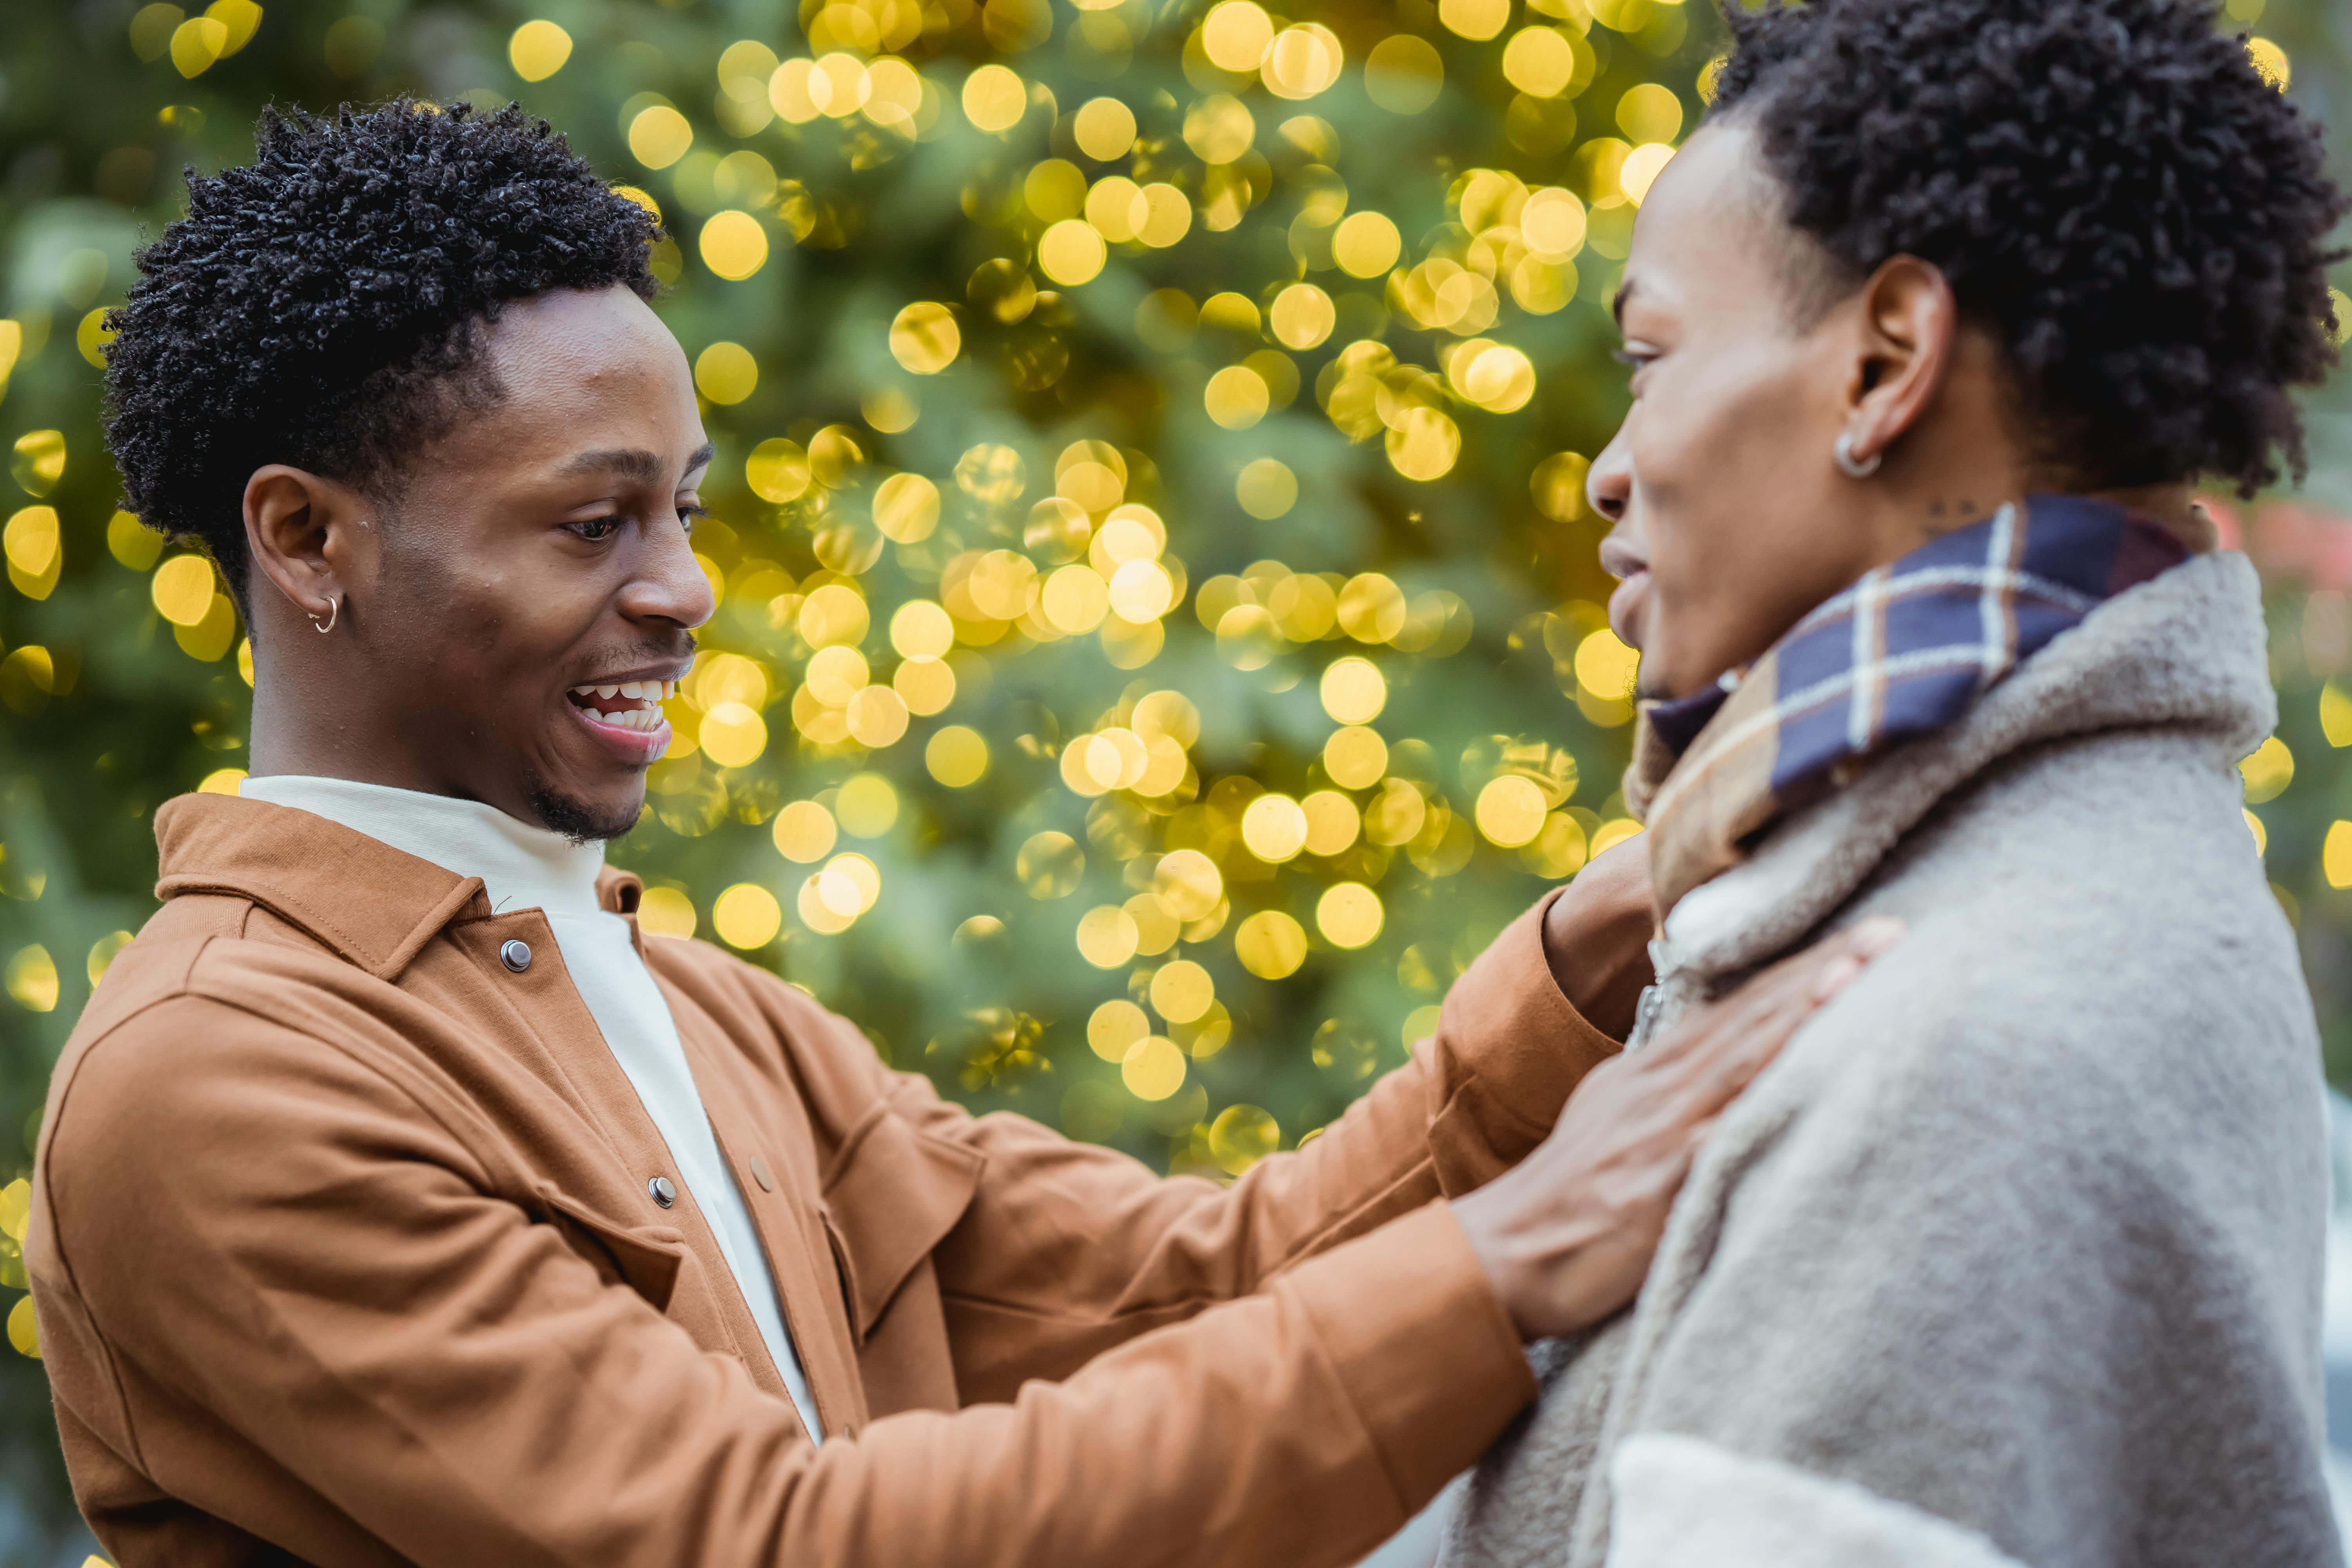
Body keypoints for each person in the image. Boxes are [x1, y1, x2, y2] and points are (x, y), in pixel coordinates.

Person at [20, 102, 1901, 1568]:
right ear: (305, 540)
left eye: (681, 511)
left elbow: (1210, 1281)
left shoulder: (701, 1014)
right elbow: (778, 1543)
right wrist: (1508, 1271)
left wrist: (1596, 941)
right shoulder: (216, 1086)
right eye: (592, 526)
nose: (681, 589)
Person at [1446, 0, 2347, 1564]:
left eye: (1651, 358)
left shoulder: (1976, 1037)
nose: (1610, 464)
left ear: (1884, 363)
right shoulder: (2013, 894)